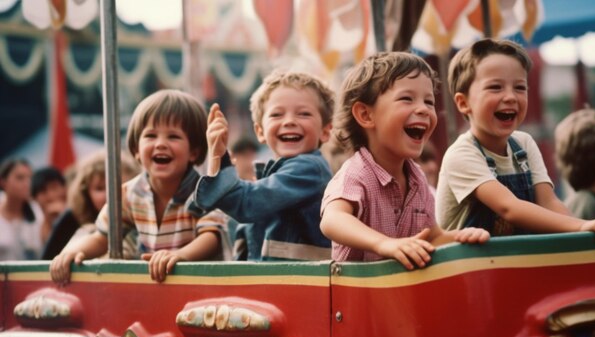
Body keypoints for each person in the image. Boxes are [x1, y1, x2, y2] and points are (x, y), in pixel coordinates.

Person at [436, 38, 595, 248]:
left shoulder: (524, 144)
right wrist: (582, 226)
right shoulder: (462, 154)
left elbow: (549, 202)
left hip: (516, 261)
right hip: (468, 270)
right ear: (463, 103)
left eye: (520, 87)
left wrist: (585, 227)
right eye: (495, 87)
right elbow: (509, 207)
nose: (510, 96)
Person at [320, 51, 489, 270]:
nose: (423, 109)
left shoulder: (417, 177)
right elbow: (333, 221)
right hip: (358, 295)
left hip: (400, 295)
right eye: (406, 99)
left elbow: (432, 237)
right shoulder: (356, 172)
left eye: (429, 101)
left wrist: (460, 237)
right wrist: (384, 244)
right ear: (366, 115)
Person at [50, 89, 231, 284]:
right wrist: (72, 252)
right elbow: (101, 237)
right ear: (136, 151)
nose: (161, 144)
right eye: (151, 136)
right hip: (154, 288)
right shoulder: (128, 195)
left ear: (194, 152)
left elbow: (211, 236)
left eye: (173, 137)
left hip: (197, 288)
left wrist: (180, 256)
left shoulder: (204, 191)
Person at [189, 70, 334, 261]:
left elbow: (246, 204)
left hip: (298, 285)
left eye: (304, 114)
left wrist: (219, 157)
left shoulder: (309, 169)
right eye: (277, 115)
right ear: (260, 132)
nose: (289, 121)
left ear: (325, 131)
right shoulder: (272, 175)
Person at [41, 149, 141, 259]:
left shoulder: (147, 226)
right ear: (86, 193)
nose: (109, 194)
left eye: (117, 185)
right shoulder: (72, 222)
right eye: (99, 188)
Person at [0, 158, 43, 260]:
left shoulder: (38, 212)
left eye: (30, 178)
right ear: (3, 182)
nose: (27, 183)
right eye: (20, 178)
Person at [31, 166, 67, 245]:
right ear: (34, 198)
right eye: (43, 191)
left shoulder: (82, 212)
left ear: (65, 187)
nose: (50, 196)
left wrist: (66, 215)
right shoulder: (33, 228)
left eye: (54, 187)